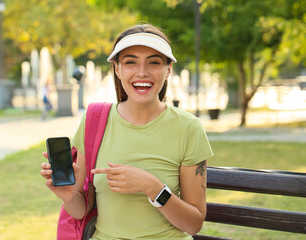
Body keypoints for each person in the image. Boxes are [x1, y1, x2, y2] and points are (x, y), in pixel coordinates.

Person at [40, 23, 214, 239]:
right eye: (131, 62)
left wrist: (153, 187)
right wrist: (69, 196)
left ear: (168, 69)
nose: (142, 72)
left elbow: (194, 223)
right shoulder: (93, 121)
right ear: (117, 69)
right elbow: (80, 210)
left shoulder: (189, 128)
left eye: (154, 62)